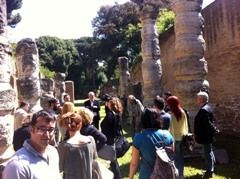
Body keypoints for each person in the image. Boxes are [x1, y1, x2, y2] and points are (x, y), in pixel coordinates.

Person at [3, 110, 61, 179]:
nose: (47, 135)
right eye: (42, 129)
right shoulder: (17, 166)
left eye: (50, 129)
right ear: (31, 129)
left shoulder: (53, 153)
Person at [129, 108, 174, 179]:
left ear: (143, 120)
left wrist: (130, 177)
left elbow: (134, 163)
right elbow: (171, 157)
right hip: (165, 175)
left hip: (147, 175)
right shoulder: (167, 135)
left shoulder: (139, 137)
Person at [58, 112, 100, 179]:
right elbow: (94, 159)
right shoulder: (90, 140)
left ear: (66, 126)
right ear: (81, 125)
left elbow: (59, 168)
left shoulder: (63, 146)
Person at [194, 91, 218, 178]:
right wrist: (214, 129)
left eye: (197, 98)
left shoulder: (204, 110)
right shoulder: (207, 107)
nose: (196, 100)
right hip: (207, 134)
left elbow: (207, 123)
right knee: (209, 151)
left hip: (206, 135)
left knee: (207, 153)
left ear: (201, 99)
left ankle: (209, 171)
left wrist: (214, 129)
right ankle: (211, 168)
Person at [101, 97, 123, 179]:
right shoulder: (118, 113)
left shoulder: (110, 114)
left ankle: (117, 177)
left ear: (111, 105)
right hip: (115, 137)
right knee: (113, 160)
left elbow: (105, 126)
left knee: (113, 161)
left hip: (110, 139)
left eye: (109, 103)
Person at [167, 96, 188, 179]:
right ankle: (181, 174)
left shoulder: (170, 115)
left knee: (174, 158)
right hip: (181, 137)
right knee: (180, 157)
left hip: (174, 138)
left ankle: (176, 175)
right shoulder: (182, 112)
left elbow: (170, 129)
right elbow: (185, 126)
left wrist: (171, 141)